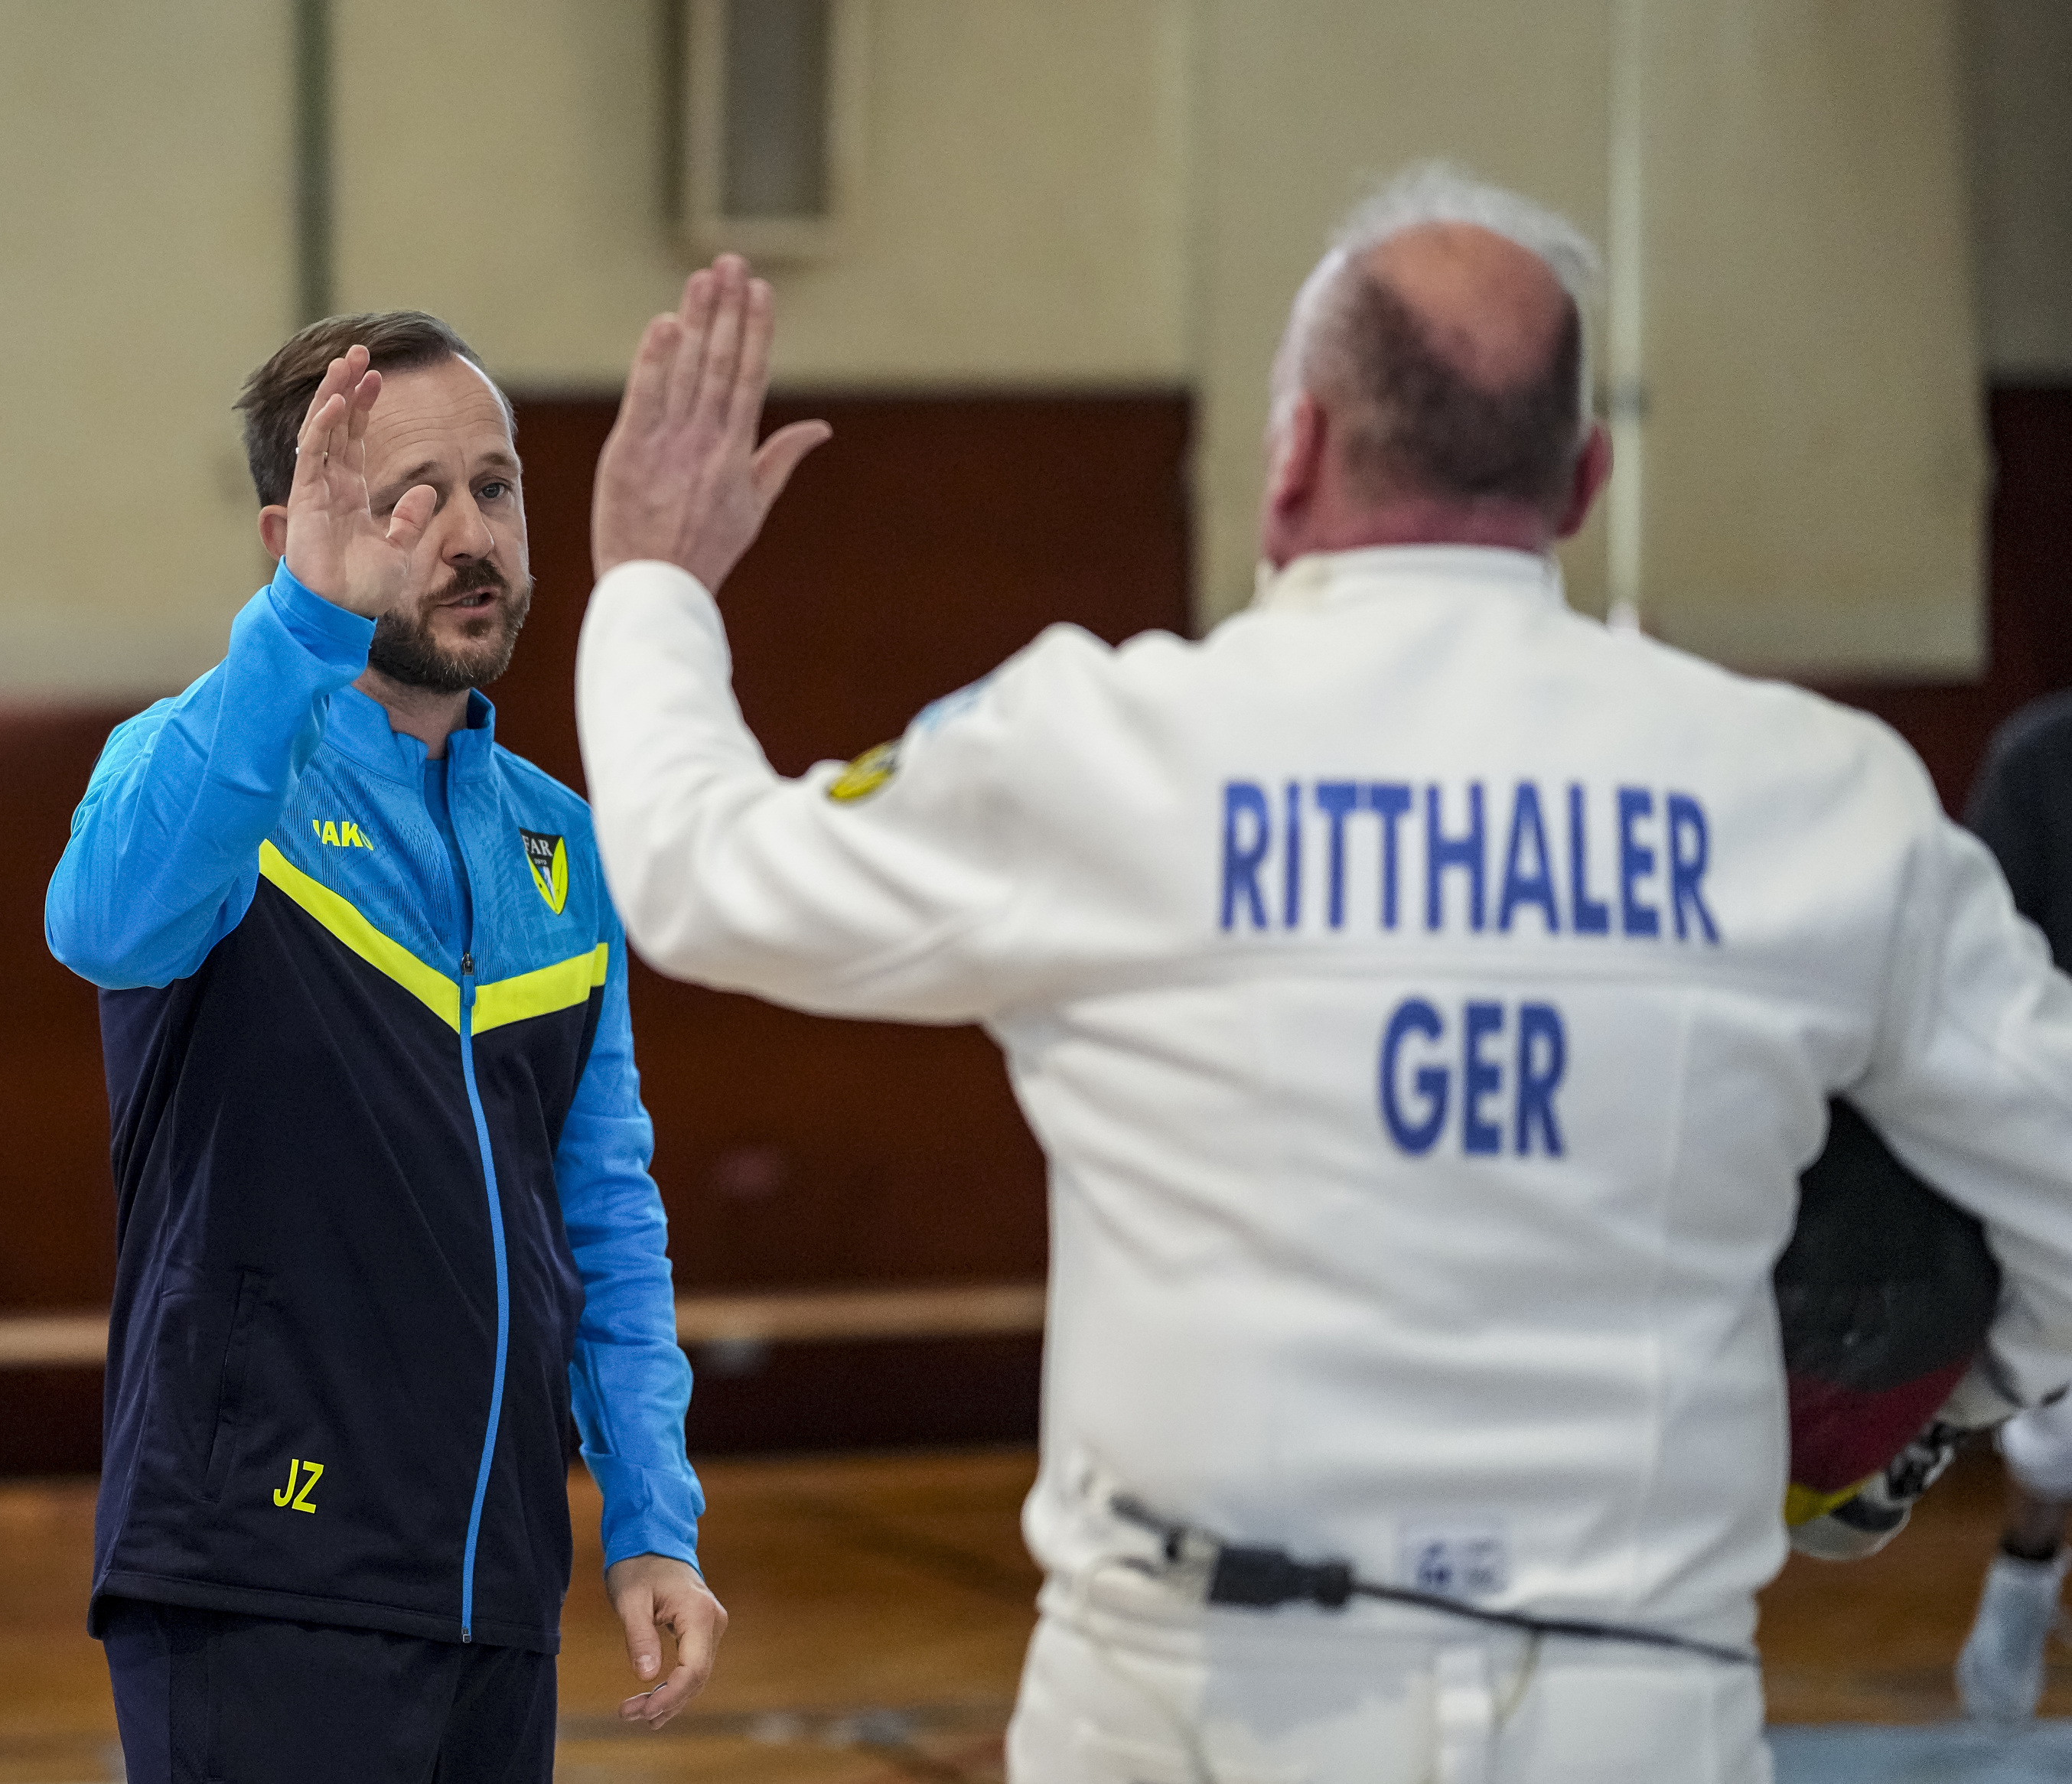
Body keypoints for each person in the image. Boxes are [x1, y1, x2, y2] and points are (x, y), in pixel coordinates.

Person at [573, 173, 2072, 1782]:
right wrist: (1923, 1398)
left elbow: (696, 872)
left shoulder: (1107, 749)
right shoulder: (1820, 799)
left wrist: (655, 582)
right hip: (1632, 1710)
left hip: (1186, 1705)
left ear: (1291, 453)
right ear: (1584, 477)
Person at [44, 311, 720, 1784]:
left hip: (496, 1584)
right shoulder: (208, 770)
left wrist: (650, 1515)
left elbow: (602, 1212)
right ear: (292, 534)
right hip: (257, 1567)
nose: (469, 534)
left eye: (496, 486)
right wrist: (301, 628)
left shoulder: (562, 843)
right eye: (411, 497)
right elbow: (100, 922)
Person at [1954, 690, 2072, 1720]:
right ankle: (2025, 1574)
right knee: (2053, 1411)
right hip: (2059, 1117)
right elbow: (1983, 961)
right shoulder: (2037, 760)